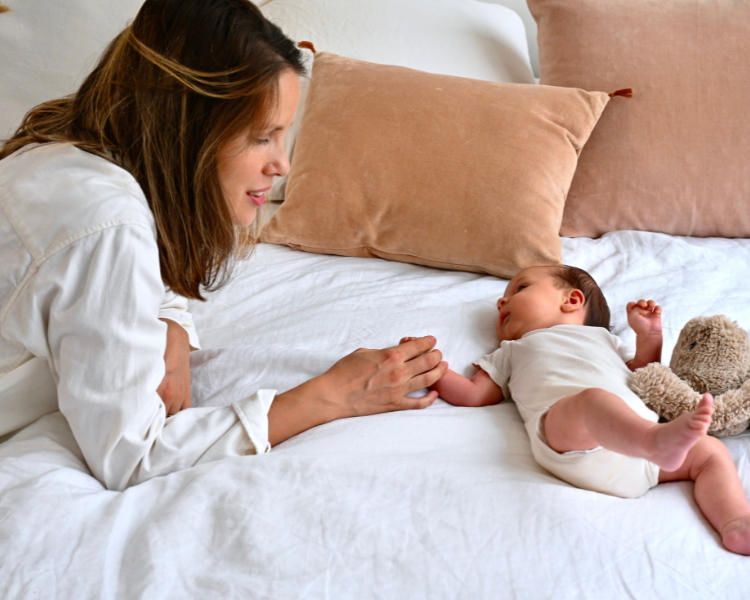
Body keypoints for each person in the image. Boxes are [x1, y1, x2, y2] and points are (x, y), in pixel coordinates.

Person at [0, 0, 447, 491]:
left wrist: (171, 321)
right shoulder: (107, 226)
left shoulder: (73, 146)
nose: (283, 165)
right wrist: (332, 394)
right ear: (186, 130)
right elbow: (131, 455)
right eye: (262, 137)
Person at [415, 264, 750, 555]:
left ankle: (735, 522)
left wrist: (649, 339)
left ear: (572, 300)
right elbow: (475, 394)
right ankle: (655, 441)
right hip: (572, 442)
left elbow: (641, 375)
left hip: (637, 461)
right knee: (594, 400)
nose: (502, 301)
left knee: (710, 452)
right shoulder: (513, 350)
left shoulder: (605, 340)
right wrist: (435, 371)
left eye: (520, 287)